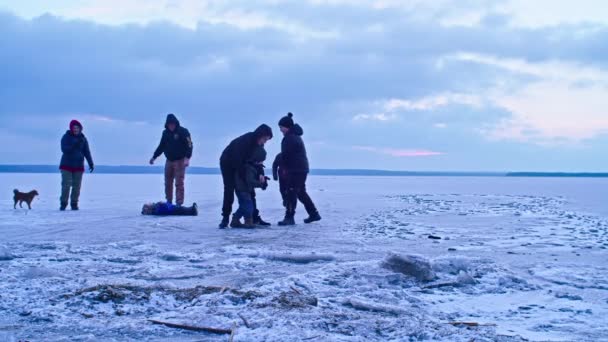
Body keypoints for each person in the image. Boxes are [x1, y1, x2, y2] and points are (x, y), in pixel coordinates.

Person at [219, 124, 273, 228]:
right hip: (228, 162)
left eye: (267, 140)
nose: (265, 142)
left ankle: (254, 218)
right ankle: (225, 218)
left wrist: (261, 175)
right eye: (265, 139)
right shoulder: (245, 141)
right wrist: (250, 180)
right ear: (260, 135)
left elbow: (258, 162)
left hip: (242, 164)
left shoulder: (259, 145)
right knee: (229, 189)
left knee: (249, 190)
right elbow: (238, 162)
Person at [277, 113, 321, 226]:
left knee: (291, 192)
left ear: (286, 127)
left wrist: (284, 168)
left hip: (295, 170)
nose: (280, 130)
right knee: (300, 192)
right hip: (300, 169)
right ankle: (313, 213)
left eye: (281, 127)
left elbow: (286, 155)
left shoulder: (290, 138)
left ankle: (289, 217)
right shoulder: (294, 136)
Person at [149, 114, 193, 206]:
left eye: (172, 124)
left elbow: (190, 145)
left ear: (176, 123)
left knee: (179, 182)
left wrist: (187, 158)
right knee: (168, 182)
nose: (171, 126)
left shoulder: (183, 131)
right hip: (169, 160)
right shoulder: (165, 133)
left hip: (180, 160)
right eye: (169, 124)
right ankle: (169, 201)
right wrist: (154, 157)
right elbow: (161, 146)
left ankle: (179, 203)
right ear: (167, 125)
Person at [229, 146, 269, 228]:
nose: (262, 163)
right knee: (248, 206)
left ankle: (235, 221)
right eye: (261, 161)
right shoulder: (249, 168)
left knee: (243, 206)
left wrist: (262, 180)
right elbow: (250, 181)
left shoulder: (250, 166)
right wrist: (261, 183)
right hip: (243, 190)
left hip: (243, 189)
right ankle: (248, 221)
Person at [59, 119, 94, 211]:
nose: (75, 129)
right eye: (74, 128)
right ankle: (63, 204)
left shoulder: (83, 139)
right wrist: (74, 145)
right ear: (71, 128)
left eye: (77, 128)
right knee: (66, 185)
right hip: (66, 165)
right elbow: (64, 149)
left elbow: (87, 152)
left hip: (78, 166)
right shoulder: (66, 137)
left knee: (77, 186)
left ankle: (74, 204)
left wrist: (90, 163)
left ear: (80, 129)